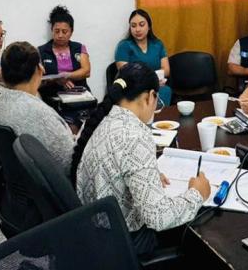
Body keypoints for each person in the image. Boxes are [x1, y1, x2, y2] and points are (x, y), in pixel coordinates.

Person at [73, 62, 211, 255]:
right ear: (149, 96)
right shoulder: (135, 135)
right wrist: (198, 194)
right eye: (157, 100)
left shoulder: (101, 118)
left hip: (96, 232)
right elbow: (157, 217)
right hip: (124, 242)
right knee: (199, 228)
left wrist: (148, 174)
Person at [0, 42, 76, 176]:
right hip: (56, 187)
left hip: (23, 180)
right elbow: (69, 162)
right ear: (39, 70)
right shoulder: (40, 114)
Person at [114, 9, 172, 104]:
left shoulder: (158, 44)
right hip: (133, 87)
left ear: (149, 26)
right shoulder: (124, 46)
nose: (137, 29)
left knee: (165, 90)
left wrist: (152, 80)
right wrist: (152, 79)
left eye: (142, 24)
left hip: (156, 86)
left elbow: (166, 70)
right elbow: (125, 73)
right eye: (133, 26)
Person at [37, 5, 91, 96]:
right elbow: (37, 79)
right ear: (52, 30)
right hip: (52, 95)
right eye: (57, 31)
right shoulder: (41, 51)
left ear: (71, 32)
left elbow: (86, 71)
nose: (60, 35)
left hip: (79, 94)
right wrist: (57, 80)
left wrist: (66, 75)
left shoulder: (79, 48)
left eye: (64, 31)